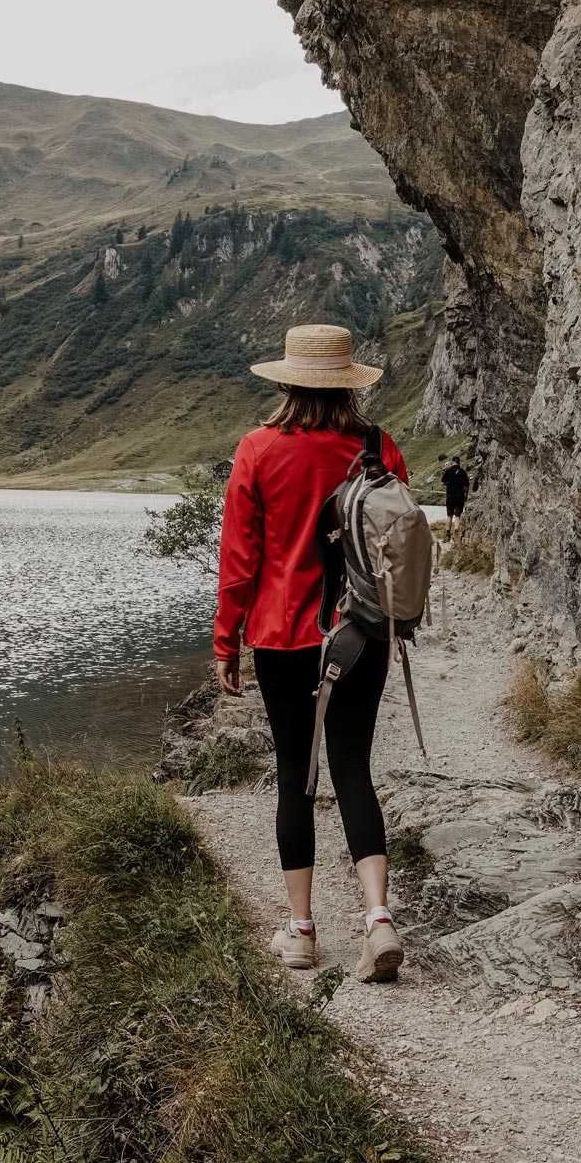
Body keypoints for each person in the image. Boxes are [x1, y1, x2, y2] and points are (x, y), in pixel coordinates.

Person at [215, 323, 408, 984]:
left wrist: (226, 641)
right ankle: (378, 918)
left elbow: (239, 561)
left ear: (287, 380)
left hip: (283, 636)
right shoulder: (379, 448)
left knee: (298, 773)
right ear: (347, 381)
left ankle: (300, 934)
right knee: (353, 767)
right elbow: (400, 544)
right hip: (361, 633)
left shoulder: (258, 449)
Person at [442, 453, 470, 534]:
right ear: (459, 462)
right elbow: (467, 485)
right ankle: (456, 533)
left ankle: (448, 535)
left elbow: (443, 481)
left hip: (450, 496)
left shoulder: (448, 471)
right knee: (457, 516)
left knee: (449, 516)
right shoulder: (462, 472)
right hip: (460, 496)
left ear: (452, 462)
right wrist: (466, 496)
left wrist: (448, 485)